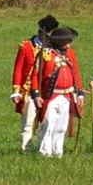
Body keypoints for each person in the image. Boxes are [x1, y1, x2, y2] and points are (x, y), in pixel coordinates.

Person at [35, 27, 84, 158]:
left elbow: (76, 73)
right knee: (48, 125)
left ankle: (58, 152)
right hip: (50, 95)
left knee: (61, 126)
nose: (69, 42)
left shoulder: (70, 53)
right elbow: (35, 75)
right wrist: (36, 95)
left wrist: (79, 92)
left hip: (67, 95)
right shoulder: (46, 53)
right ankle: (45, 153)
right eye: (67, 40)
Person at [12, 15, 55, 152]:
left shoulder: (53, 49)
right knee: (28, 123)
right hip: (29, 90)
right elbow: (18, 69)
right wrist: (16, 90)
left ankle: (44, 148)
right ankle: (27, 150)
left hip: (47, 91)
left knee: (46, 122)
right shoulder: (26, 46)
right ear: (41, 33)